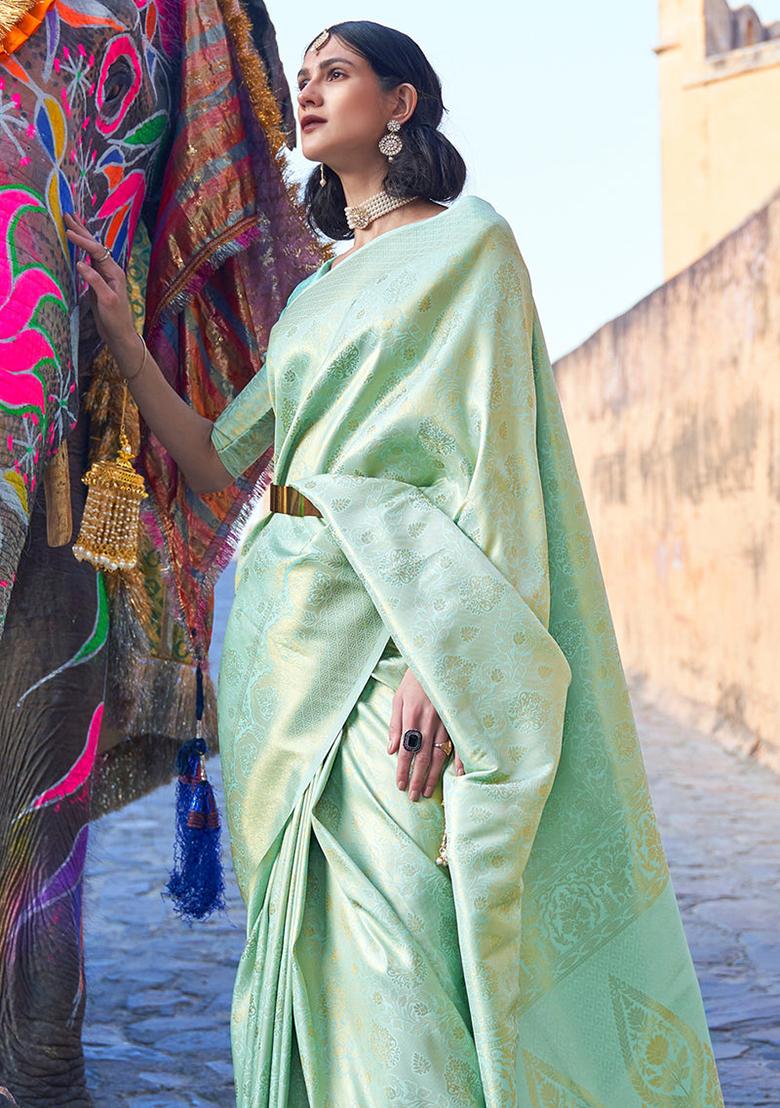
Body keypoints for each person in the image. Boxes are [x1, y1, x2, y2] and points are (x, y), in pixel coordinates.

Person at [65, 19, 724, 1108]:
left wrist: (445, 659)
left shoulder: (472, 249)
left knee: (399, 939)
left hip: (397, 638)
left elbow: (495, 470)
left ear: (402, 102)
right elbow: (220, 464)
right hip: (285, 634)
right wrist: (123, 334)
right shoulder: (314, 298)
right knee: (310, 939)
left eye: (337, 74)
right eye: (304, 77)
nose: (310, 94)